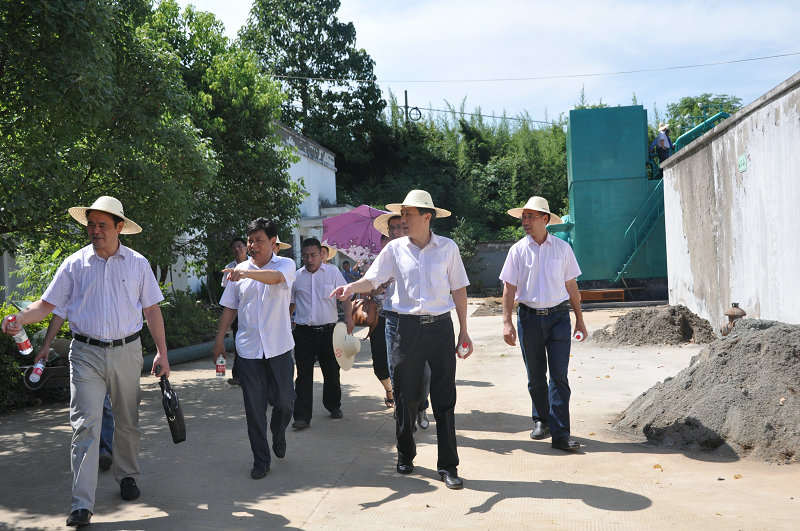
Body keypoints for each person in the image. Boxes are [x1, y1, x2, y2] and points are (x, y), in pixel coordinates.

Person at [1, 195, 169, 528]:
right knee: (85, 426)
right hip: (85, 354)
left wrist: (162, 353)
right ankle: (82, 504)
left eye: (102, 225)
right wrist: (18, 318)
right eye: (91, 224)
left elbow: (151, 310)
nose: (95, 230)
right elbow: (46, 306)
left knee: (127, 421)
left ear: (119, 227)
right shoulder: (74, 264)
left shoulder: (138, 264)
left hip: (127, 350)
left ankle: (127, 476)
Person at [332, 189, 472, 490]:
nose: (403, 219)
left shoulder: (447, 248)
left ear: (427, 217)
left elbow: (459, 289)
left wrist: (464, 330)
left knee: (444, 398)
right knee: (405, 396)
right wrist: (350, 288)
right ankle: (406, 453)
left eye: (409, 214)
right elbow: (373, 279)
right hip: (404, 329)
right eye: (402, 213)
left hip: (440, 328)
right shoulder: (395, 249)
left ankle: (448, 466)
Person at [499, 196, 588, 452]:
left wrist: (579, 319)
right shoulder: (517, 251)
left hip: (559, 318)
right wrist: (506, 322)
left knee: (559, 377)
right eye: (523, 217)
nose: (525, 221)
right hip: (528, 318)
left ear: (545, 219)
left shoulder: (562, 249)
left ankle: (561, 434)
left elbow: (571, 286)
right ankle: (541, 420)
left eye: (531, 216)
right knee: (536, 376)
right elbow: (509, 288)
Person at [212, 217, 297, 480]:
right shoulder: (238, 272)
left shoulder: (285, 264)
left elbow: (275, 279)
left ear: (273, 241)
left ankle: (279, 432)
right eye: (250, 240)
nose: (252, 245)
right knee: (254, 408)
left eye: (259, 240)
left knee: (285, 402)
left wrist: (246, 273)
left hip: (279, 348)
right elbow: (230, 307)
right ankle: (261, 460)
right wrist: (219, 341)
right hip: (248, 351)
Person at [373, 214, 432, 429]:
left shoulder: (421, 252)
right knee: (396, 369)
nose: (395, 231)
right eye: (391, 228)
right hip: (391, 317)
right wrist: (384, 283)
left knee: (423, 370)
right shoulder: (386, 256)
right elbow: (373, 289)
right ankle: (404, 412)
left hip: (419, 318)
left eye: (399, 227)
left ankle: (421, 406)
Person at [38, 310, 115, 471]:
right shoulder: (75, 292)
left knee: (105, 404)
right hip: (84, 353)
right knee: (86, 408)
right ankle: (90, 452)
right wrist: (46, 345)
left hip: (112, 352)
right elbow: (59, 311)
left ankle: (105, 450)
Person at [290, 238, 354, 429]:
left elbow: (346, 297)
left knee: (332, 371)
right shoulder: (296, 277)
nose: (309, 259)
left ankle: (333, 405)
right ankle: (302, 416)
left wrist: (348, 318)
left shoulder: (333, 273)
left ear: (321, 254)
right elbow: (291, 304)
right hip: (304, 333)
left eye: (313, 255)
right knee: (303, 375)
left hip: (329, 332)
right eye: (305, 256)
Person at [221, 237, 248, 386]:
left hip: (250, 310)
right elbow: (227, 294)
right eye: (234, 248)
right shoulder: (229, 268)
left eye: (240, 246)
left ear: (246, 247)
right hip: (236, 312)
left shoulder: (254, 265)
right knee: (239, 343)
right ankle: (238, 375)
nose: (237, 250)